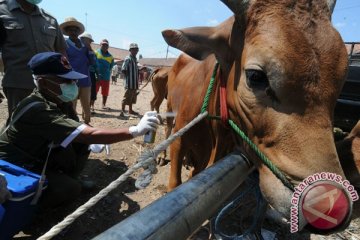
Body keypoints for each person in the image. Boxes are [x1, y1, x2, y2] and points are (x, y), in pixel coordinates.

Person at [0, 52, 159, 208]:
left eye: (73, 80)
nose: (73, 85)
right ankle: (29, 208)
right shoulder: (39, 109)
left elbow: (79, 129)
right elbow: (87, 134)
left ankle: (65, 177)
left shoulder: (58, 99)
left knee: (81, 144)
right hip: (16, 164)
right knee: (70, 189)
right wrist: (134, 130)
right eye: (66, 81)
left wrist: (95, 137)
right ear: (43, 83)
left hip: (38, 151)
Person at [0, 0, 67, 117]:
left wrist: (66, 79)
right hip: (19, 85)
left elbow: (61, 51)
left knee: (50, 126)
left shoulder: (49, 19)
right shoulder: (2, 11)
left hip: (50, 86)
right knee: (21, 126)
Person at [60, 17, 92, 124]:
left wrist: (90, 49)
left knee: (86, 104)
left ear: (79, 32)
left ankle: (87, 124)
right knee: (71, 104)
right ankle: (73, 125)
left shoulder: (85, 45)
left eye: (75, 30)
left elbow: (93, 62)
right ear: (67, 32)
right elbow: (63, 62)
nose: (73, 32)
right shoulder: (64, 44)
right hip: (71, 80)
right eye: (71, 30)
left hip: (85, 80)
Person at [79, 32, 98, 114]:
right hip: (76, 74)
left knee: (88, 95)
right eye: (87, 40)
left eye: (90, 41)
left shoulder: (91, 52)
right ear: (81, 39)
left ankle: (87, 113)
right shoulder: (76, 48)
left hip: (89, 74)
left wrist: (90, 51)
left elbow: (93, 63)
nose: (88, 42)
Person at [120, 43, 140, 117]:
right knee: (126, 97)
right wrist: (127, 78)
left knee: (132, 97)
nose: (135, 51)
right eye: (133, 49)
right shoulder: (128, 58)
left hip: (134, 83)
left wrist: (140, 69)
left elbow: (135, 70)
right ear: (130, 50)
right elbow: (123, 69)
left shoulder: (135, 59)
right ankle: (122, 111)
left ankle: (130, 110)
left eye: (136, 49)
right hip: (129, 83)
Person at [95, 39, 114, 110]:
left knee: (105, 92)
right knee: (94, 91)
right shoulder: (96, 53)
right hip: (96, 76)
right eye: (103, 44)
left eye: (106, 45)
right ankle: (92, 105)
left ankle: (103, 105)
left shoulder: (111, 57)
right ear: (100, 45)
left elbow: (111, 66)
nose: (104, 46)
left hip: (106, 77)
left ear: (108, 46)